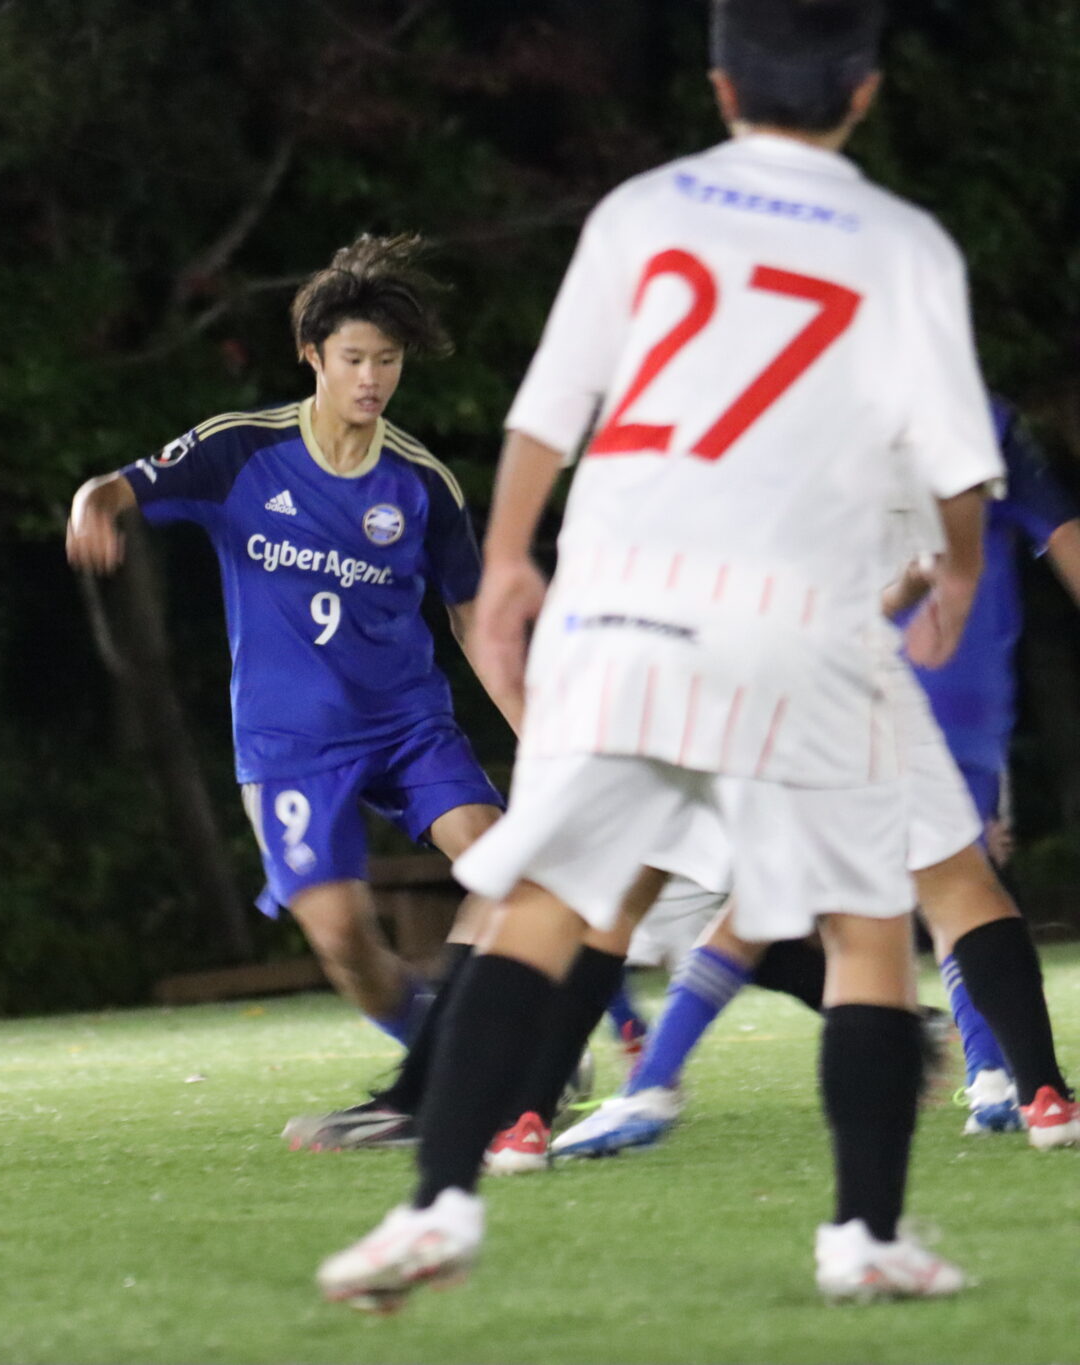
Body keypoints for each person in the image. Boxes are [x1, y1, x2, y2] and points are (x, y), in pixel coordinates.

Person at [318, 0, 1000, 1309]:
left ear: (719, 83)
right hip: (794, 609)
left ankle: (437, 1202)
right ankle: (862, 1236)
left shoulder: (640, 210)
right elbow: (958, 463)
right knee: (865, 925)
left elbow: (547, 413)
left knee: (540, 903)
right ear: (862, 92)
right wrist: (957, 570)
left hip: (619, 598)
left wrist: (507, 561)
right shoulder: (903, 242)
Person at [555, 404, 1080, 1157]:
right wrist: (935, 583)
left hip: (778, 677)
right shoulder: (928, 407)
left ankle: (638, 1088)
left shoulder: (762, 420)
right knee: (946, 891)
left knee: (804, 896)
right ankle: (1026, 1094)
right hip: (849, 677)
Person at [67, 235, 512, 1108]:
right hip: (291, 744)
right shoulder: (242, 450)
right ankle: (445, 1058)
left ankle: (494, 1057)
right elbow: (118, 486)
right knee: (342, 938)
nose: (371, 379)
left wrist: (535, 725)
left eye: (388, 360)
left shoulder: (422, 483)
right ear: (313, 355)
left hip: (409, 725)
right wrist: (92, 508)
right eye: (354, 358)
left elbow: (471, 615)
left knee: (504, 867)